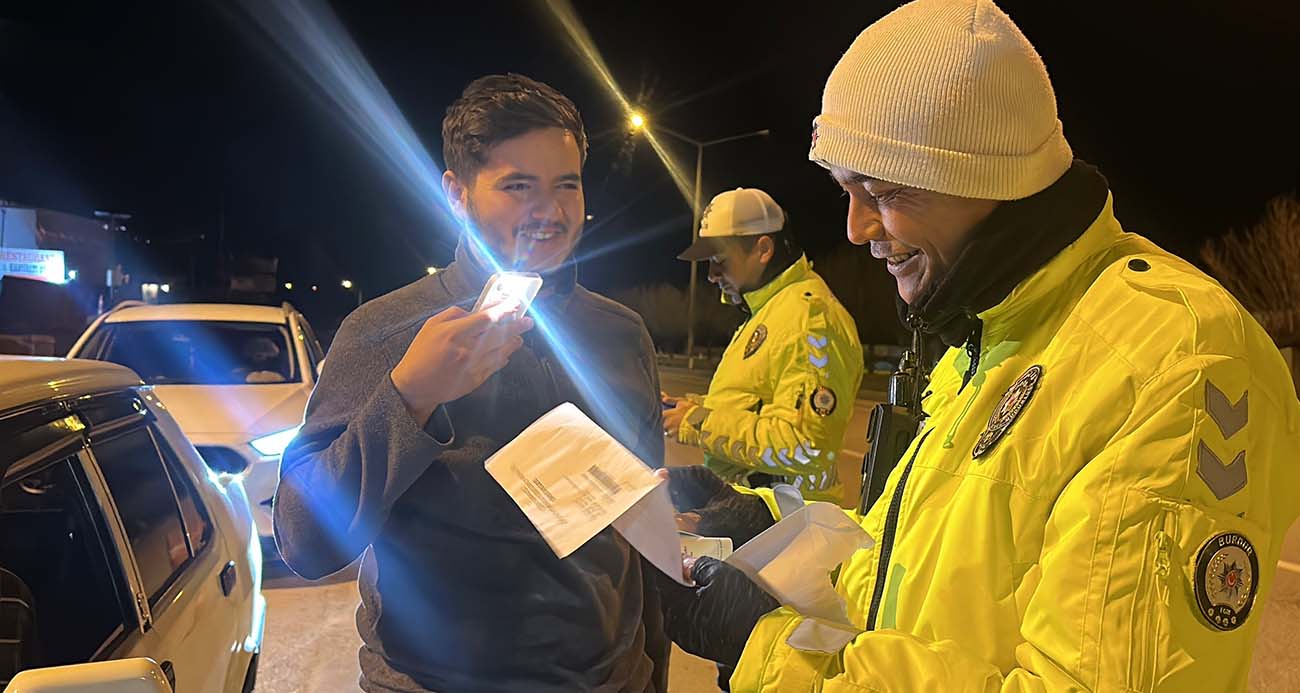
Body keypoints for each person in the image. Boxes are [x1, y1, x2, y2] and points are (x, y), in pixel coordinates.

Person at [655, 1, 1300, 690]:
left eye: (881, 191)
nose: (854, 227)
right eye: (847, 192)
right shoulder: (988, 333)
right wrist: (769, 526)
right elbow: (917, 569)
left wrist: (771, 652)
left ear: (985, 174)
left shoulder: (1178, 358)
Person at [273, 74, 669, 692]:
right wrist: (410, 395)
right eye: (518, 186)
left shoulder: (621, 334)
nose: (552, 210)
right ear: (456, 193)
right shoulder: (384, 329)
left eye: (567, 184)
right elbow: (304, 539)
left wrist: (650, 677)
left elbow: (641, 544)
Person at [663, 187, 863, 507]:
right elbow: (750, 404)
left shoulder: (809, 319)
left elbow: (804, 444)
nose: (712, 275)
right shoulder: (770, 312)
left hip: (790, 529)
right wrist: (685, 408)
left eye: (720, 260)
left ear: (763, 249)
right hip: (760, 517)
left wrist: (699, 422)